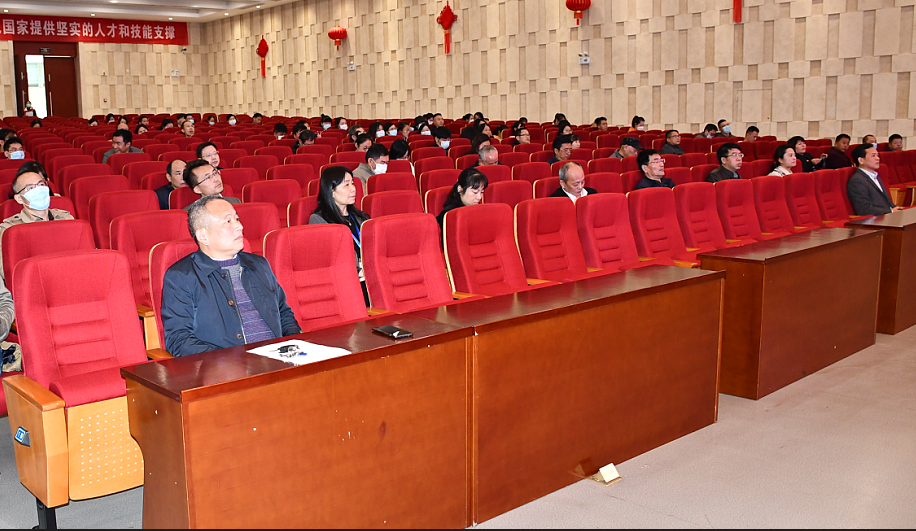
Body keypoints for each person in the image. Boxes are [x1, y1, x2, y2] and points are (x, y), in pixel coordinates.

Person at [160, 195, 300, 357]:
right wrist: (227, 361)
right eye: (228, 221)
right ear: (203, 236)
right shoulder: (181, 276)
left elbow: (283, 313)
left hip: (279, 359)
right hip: (226, 366)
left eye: (237, 219)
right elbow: (179, 340)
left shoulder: (259, 264)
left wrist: (295, 344)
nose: (239, 226)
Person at [0, 162, 74, 279]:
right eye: (30, 188)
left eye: (41, 185)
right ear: (19, 198)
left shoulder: (66, 218)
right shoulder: (9, 229)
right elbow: (8, 272)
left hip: (71, 276)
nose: (39, 190)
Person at [309, 166, 372, 304]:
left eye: (353, 183)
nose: (353, 189)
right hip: (345, 282)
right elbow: (327, 259)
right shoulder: (319, 220)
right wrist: (357, 270)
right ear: (331, 191)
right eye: (346, 185)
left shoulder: (361, 217)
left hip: (369, 276)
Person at [847, 144, 903, 216]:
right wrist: (890, 211)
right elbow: (864, 209)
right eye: (873, 156)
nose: (878, 158)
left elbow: (887, 202)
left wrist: (896, 208)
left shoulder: (876, 177)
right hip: (875, 220)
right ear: (861, 160)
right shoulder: (857, 180)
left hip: (887, 216)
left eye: (877, 155)